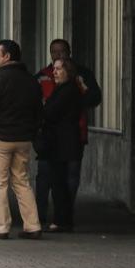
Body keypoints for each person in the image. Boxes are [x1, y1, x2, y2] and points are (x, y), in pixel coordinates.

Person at [0, 39, 44, 240]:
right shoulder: (31, 80)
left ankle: (2, 228)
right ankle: (33, 225)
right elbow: (39, 111)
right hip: (23, 140)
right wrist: (31, 133)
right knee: (22, 181)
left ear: (7, 57)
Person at [34, 39, 100, 226]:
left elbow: (94, 98)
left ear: (69, 52)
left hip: (72, 135)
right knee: (46, 177)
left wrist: (82, 90)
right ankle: (42, 216)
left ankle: (64, 217)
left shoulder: (79, 77)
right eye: (54, 52)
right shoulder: (43, 76)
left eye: (62, 51)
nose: (58, 55)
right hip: (50, 138)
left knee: (69, 178)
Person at [38, 58, 83, 232]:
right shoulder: (64, 89)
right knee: (59, 182)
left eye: (58, 69)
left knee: (59, 182)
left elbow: (50, 112)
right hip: (62, 142)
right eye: (54, 69)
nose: (54, 72)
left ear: (68, 72)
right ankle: (62, 219)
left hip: (62, 143)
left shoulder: (68, 91)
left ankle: (61, 220)